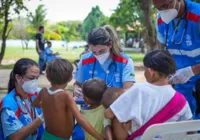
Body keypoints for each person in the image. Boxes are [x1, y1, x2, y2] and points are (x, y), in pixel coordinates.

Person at [104, 50, 192, 140]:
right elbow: (191, 128)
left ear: (150, 72)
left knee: (117, 116)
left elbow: (108, 114)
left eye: (145, 69)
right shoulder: (181, 99)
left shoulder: (138, 90)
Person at [32, 59, 104, 140]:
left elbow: (35, 104)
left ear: (47, 77)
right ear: (70, 78)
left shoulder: (43, 91)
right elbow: (80, 119)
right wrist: (100, 137)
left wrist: (49, 106)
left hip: (46, 136)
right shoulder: (66, 95)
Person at [154, 0, 200, 118]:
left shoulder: (197, 16)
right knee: (183, 122)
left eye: (165, 6)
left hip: (196, 77)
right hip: (180, 80)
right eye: (159, 8)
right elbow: (164, 49)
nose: (163, 11)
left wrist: (191, 71)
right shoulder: (161, 21)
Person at [74, 25, 135, 99]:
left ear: (110, 45)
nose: (98, 55)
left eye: (102, 51)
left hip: (115, 107)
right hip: (90, 108)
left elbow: (128, 91)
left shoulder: (125, 61)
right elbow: (78, 83)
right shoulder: (85, 60)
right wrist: (76, 89)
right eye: (94, 52)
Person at [0, 58, 44, 140]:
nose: (34, 82)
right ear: (18, 78)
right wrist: (42, 118)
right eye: (31, 78)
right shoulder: (9, 105)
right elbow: (15, 137)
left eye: (37, 78)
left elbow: (54, 94)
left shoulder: (36, 94)